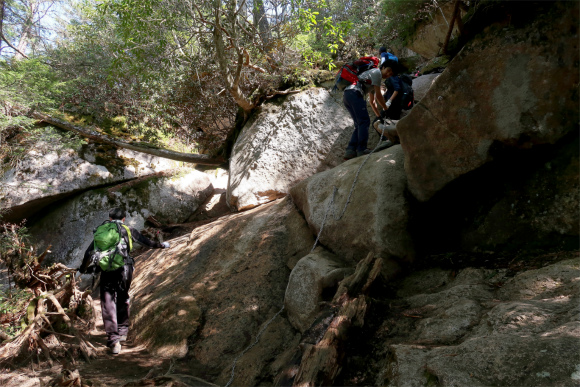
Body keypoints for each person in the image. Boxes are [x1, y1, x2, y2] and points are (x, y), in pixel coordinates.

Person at [79, 207, 170, 354]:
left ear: (109, 218)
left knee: (107, 302)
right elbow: (146, 242)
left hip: (107, 271)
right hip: (124, 270)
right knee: (122, 297)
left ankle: (113, 341)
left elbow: (88, 253)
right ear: (123, 219)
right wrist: (162, 245)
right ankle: (122, 332)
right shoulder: (127, 229)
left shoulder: (101, 231)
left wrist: (83, 269)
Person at [343, 61, 394, 160]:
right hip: (355, 93)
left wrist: (379, 116)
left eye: (390, 74)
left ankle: (350, 150)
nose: (388, 74)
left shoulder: (370, 78)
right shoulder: (377, 73)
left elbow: (372, 101)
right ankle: (361, 149)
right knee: (364, 122)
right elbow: (379, 96)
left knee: (359, 123)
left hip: (347, 94)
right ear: (383, 67)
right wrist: (386, 108)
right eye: (388, 71)